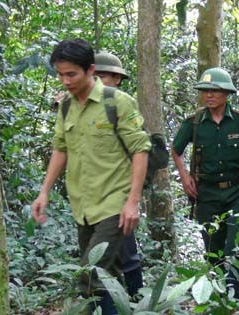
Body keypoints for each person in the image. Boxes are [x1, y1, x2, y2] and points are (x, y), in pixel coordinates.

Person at [31, 39, 151, 314]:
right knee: (106, 279)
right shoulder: (65, 107)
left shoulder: (117, 102)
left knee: (89, 274)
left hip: (114, 204)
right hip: (83, 205)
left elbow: (140, 150)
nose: (65, 81)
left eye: (71, 74)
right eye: (60, 74)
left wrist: (133, 201)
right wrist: (44, 191)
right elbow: (60, 148)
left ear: (90, 70)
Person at [171, 67, 239, 298]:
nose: (209, 95)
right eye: (205, 90)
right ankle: (215, 294)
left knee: (236, 245)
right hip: (206, 194)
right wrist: (185, 177)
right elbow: (176, 150)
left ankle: (237, 294)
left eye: (214, 91)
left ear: (226, 93)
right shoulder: (194, 122)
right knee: (212, 247)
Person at [94, 51, 143, 297]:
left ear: (117, 79)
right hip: (91, 192)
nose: (98, 81)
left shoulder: (123, 105)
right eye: (95, 75)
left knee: (126, 252)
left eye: (104, 75)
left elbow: (138, 150)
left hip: (118, 190)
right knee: (98, 256)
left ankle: (138, 301)